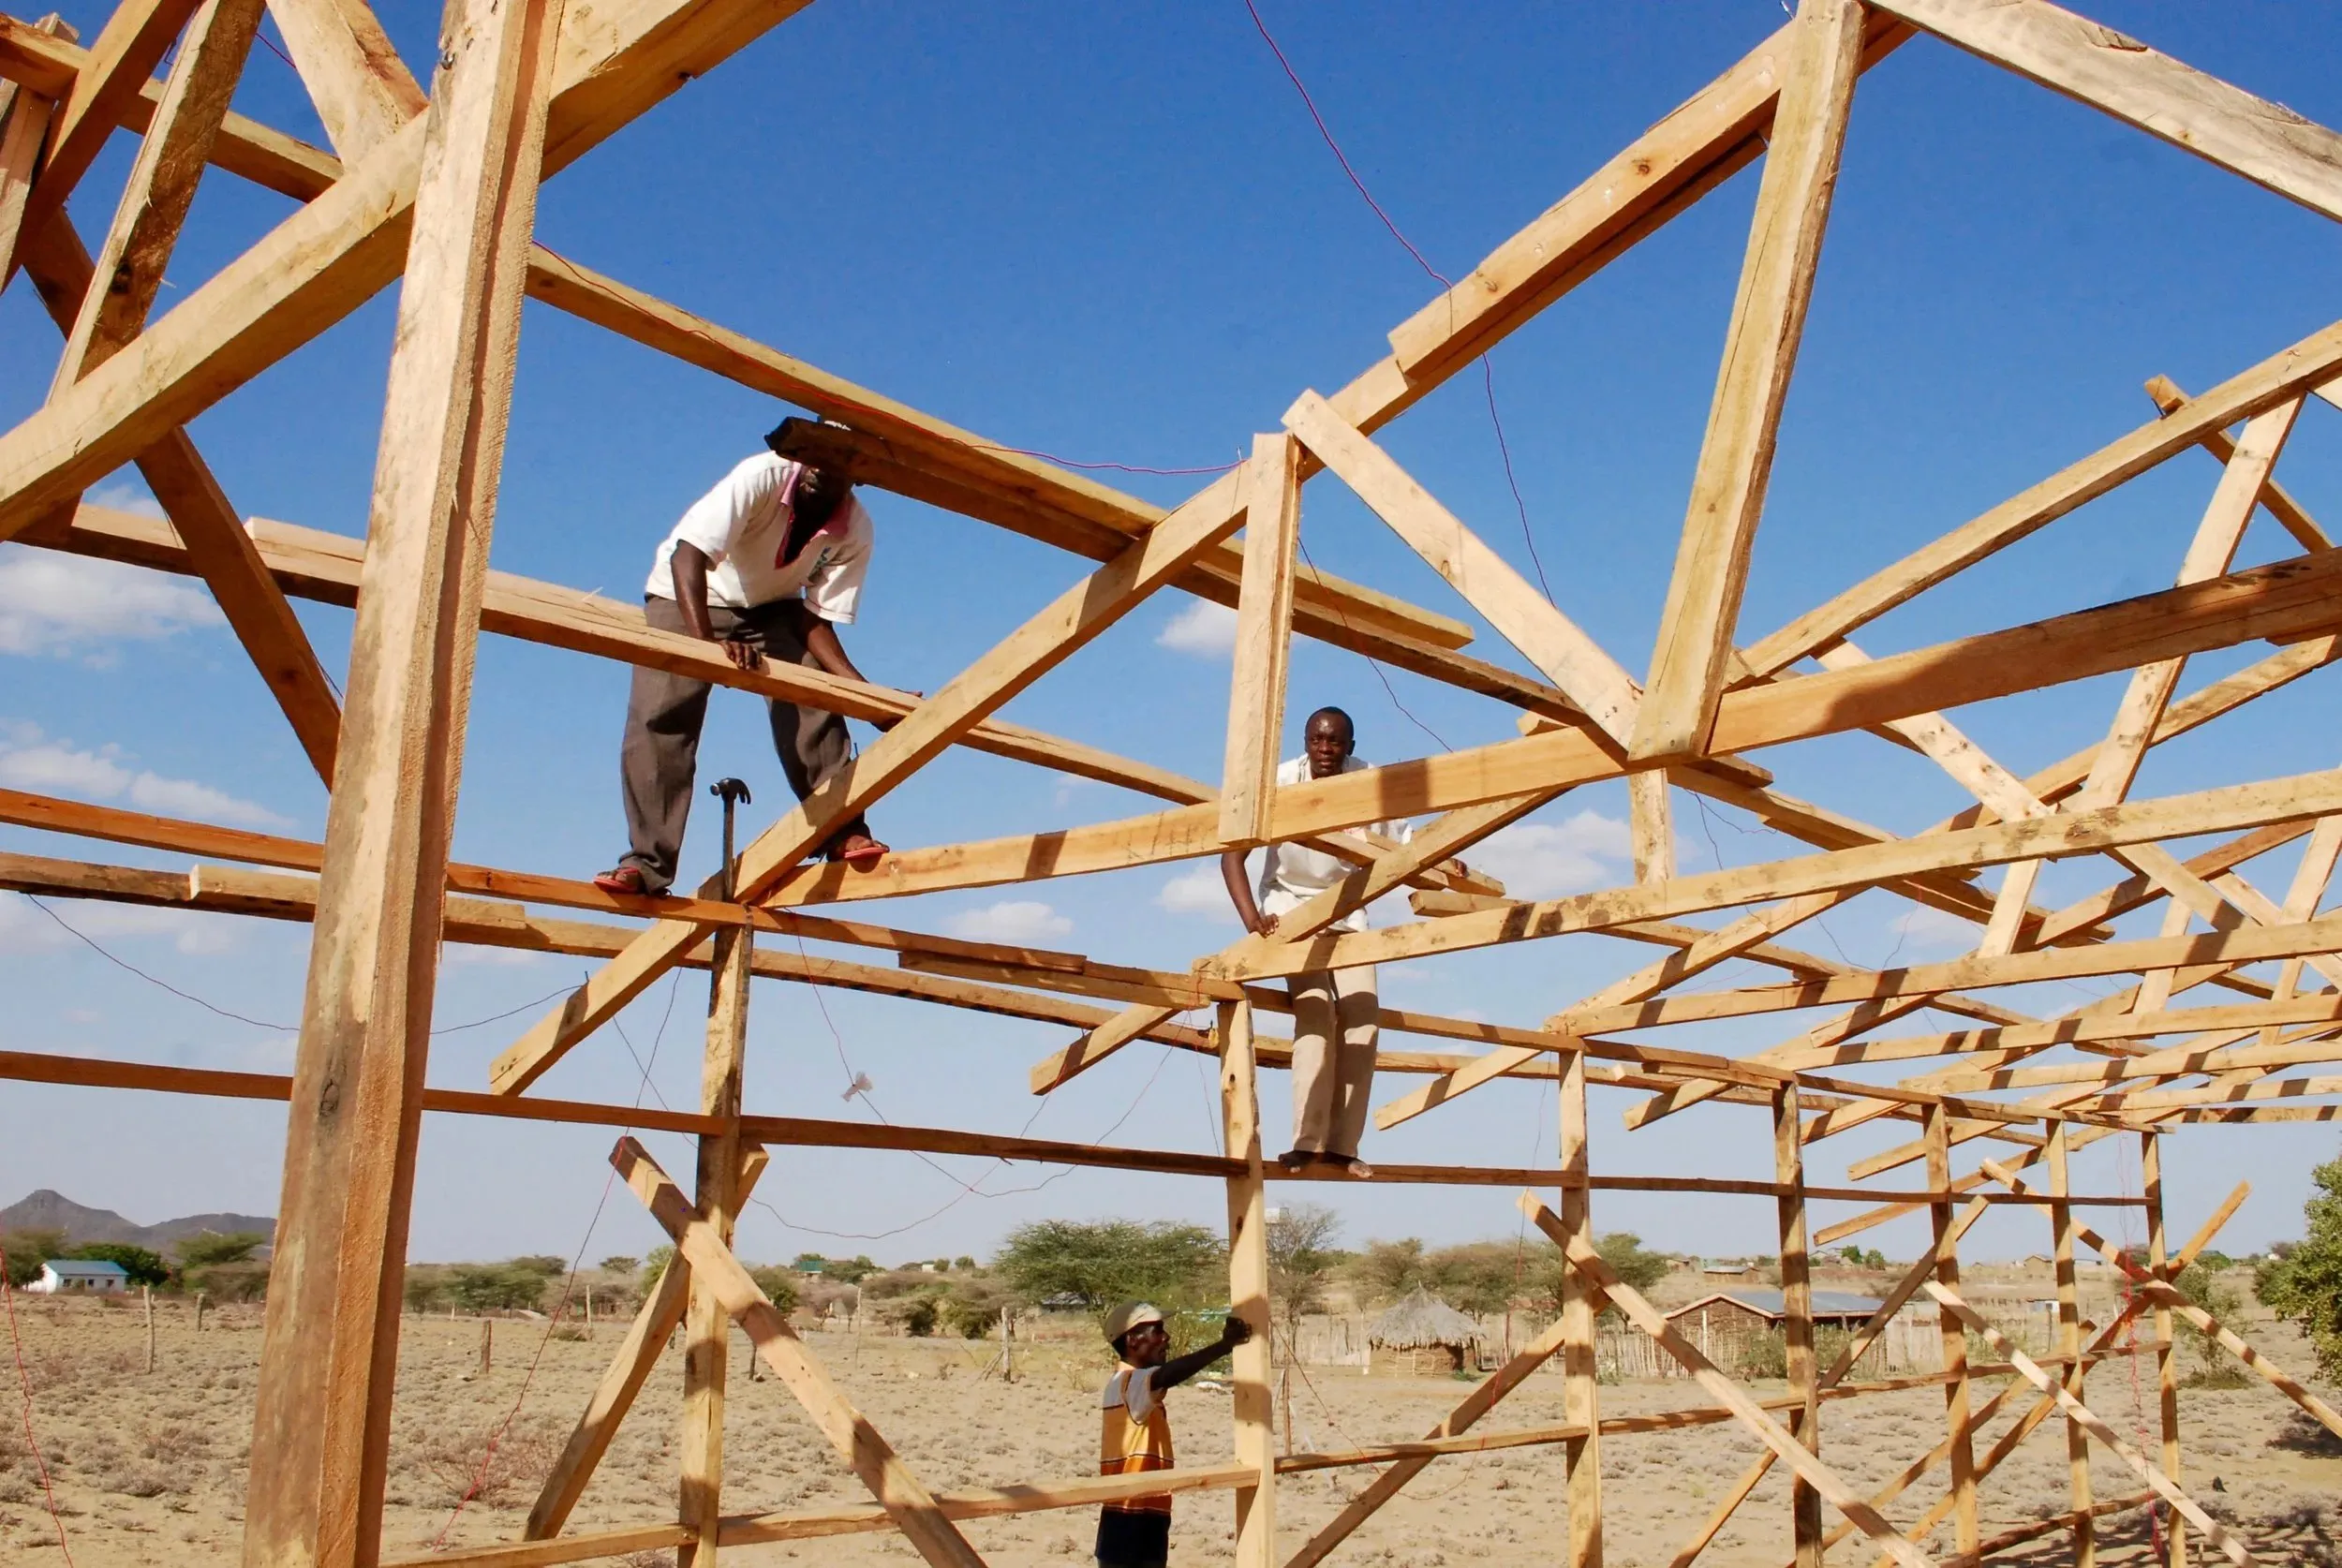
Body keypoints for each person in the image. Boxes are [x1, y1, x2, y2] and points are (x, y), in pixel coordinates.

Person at [596, 432, 893, 896]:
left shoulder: (856, 530)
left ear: (857, 476)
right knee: (664, 716)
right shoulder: (761, 477)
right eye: (812, 454)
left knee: (813, 693)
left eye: (836, 461)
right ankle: (647, 864)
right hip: (689, 596)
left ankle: (842, 830)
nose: (818, 467)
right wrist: (709, 649)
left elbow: (814, 618)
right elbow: (687, 557)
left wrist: (868, 699)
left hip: (773, 609)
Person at [1220, 706, 1430, 1178]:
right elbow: (1232, 856)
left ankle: (1342, 1146)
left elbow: (1407, 854)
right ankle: (1306, 1144)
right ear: (1306, 742)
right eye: (1317, 741)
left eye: (1334, 743)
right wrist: (1253, 919)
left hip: (1348, 911)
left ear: (1350, 747)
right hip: (1291, 913)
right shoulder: (1280, 783)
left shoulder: (1369, 782)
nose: (1325, 750)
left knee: (1363, 1023)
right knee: (1315, 1015)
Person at [1096, 1301, 1252, 1568]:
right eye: (1157, 1331)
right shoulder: (1126, 1383)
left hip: (1144, 1512)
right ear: (1132, 1340)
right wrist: (1224, 1345)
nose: (1166, 1337)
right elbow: (1167, 1375)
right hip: (1129, 1516)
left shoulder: (1129, 1386)